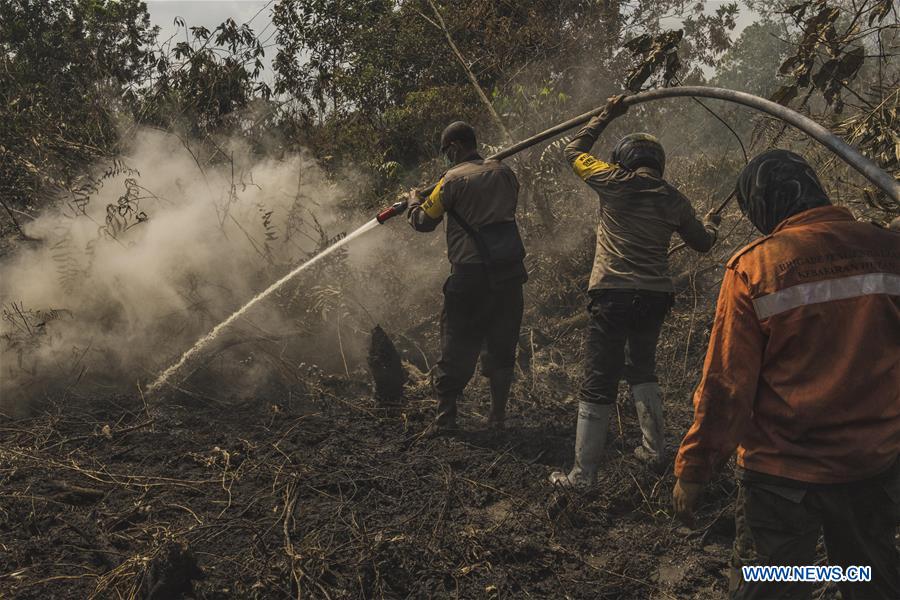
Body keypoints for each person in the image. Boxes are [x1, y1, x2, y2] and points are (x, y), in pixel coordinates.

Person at [672, 149, 900, 599]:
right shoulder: (888, 248)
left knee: (771, 583)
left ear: (762, 205)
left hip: (783, 476)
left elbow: (726, 387)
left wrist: (694, 468)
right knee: (871, 579)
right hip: (873, 464)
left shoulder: (755, 267)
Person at [550, 96, 720, 487]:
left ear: (624, 159)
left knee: (598, 379)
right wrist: (712, 224)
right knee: (642, 367)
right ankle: (655, 450)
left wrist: (606, 112)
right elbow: (703, 243)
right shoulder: (675, 199)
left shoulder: (612, 180)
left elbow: (571, 150)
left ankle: (582, 475)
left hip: (613, 294)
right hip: (655, 297)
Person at [407, 121, 527, 431]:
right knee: (502, 348)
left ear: (455, 148)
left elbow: (422, 221)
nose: (446, 157)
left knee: (456, 347)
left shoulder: (450, 182)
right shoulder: (505, 173)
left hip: (470, 279)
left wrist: (413, 201)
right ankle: (497, 417)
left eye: (446, 151)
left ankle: (446, 419)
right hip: (509, 277)